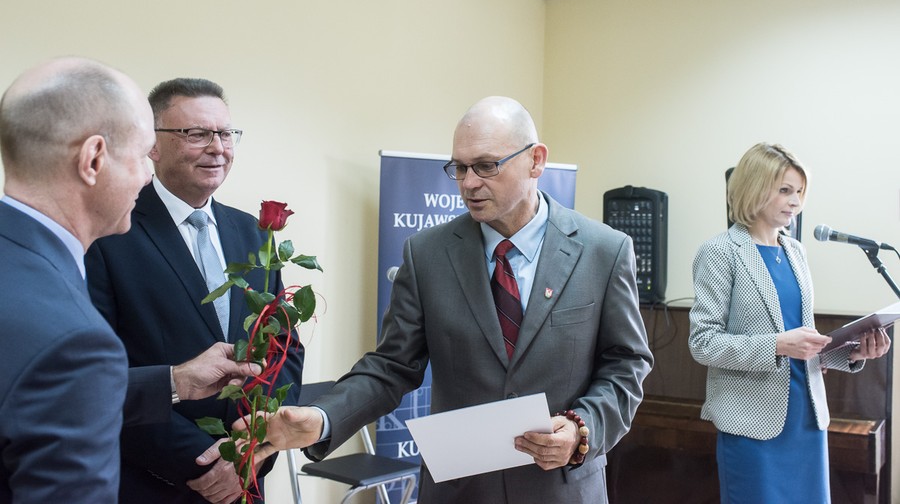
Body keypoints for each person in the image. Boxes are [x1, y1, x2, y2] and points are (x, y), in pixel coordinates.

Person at [239, 96, 653, 503]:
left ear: (536, 160)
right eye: (459, 168)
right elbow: (391, 367)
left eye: (487, 165)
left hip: (561, 488)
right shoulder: (427, 254)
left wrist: (583, 429)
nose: (469, 183)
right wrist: (323, 418)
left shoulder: (603, 251)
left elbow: (626, 362)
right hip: (461, 489)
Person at [0, 58, 260, 503]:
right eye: (141, 156)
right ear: (94, 159)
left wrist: (175, 381)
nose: (145, 175)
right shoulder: (73, 336)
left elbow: (48, 389)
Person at [85, 78, 305, 504]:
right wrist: (208, 461)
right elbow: (98, 375)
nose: (217, 148)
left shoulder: (254, 233)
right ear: (152, 144)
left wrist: (256, 446)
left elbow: (284, 347)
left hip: (247, 478)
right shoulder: (109, 232)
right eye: (196, 134)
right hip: (153, 483)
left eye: (225, 134)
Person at [688, 142, 891, 504]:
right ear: (753, 187)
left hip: (807, 420)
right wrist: (778, 344)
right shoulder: (719, 251)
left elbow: (805, 342)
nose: (796, 201)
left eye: (799, 191)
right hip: (752, 425)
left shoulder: (795, 252)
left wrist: (854, 353)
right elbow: (703, 342)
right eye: (785, 190)